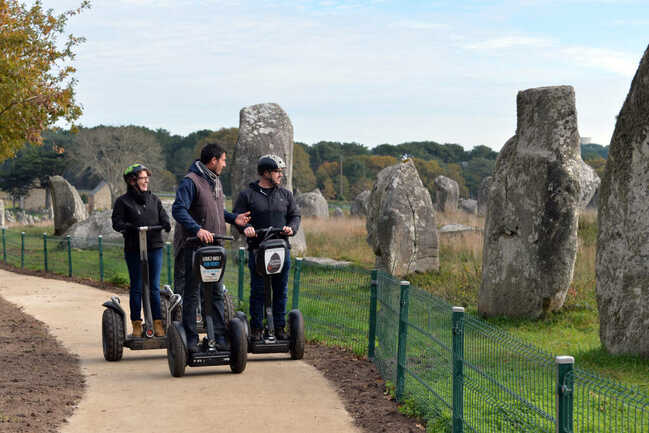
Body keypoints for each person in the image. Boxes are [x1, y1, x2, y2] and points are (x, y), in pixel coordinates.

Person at [172, 143, 250, 352]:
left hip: (215, 247)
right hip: (195, 247)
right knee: (193, 293)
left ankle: (219, 338)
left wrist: (235, 219)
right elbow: (178, 210)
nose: (225, 164)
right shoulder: (191, 181)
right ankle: (190, 339)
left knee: (215, 291)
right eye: (223, 160)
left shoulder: (215, 180)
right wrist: (197, 229)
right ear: (213, 161)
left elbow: (216, 209)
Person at [233, 154, 301, 341]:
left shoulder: (285, 194)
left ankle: (279, 327)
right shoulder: (248, 195)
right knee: (259, 289)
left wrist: (291, 228)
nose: (280, 175)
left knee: (280, 290)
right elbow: (238, 217)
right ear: (265, 172)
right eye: (277, 172)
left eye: (281, 172)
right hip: (258, 249)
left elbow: (295, 216)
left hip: (281, 248)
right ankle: (256, 328)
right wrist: (245, 228)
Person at [112, 163, 171, 338]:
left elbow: (163, 216)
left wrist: (166, 223)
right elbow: (117, 222)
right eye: (142, 178)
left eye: (147, 178)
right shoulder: (123, 202)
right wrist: (127, 227)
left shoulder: (154, 199)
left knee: (153, 286)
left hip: (154, 246)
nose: (146, 181)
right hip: (134, 248)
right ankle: (137, 324)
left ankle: (158, 323)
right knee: (137, 286)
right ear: (132, 181)